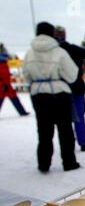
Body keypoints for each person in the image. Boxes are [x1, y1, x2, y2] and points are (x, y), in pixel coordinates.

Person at [23, 22, 80, 173]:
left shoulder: (29, 53)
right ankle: (69, 162)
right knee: (65, 129)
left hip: (39, 94)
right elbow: (72, 74)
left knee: (43, 131)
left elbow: (26, 77)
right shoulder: (59, 52)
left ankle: (44, 163)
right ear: (52, 33)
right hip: (59, 94)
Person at [54, 26, 85, 152]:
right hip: (76, 86)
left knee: (64, 119)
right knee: (79, 116)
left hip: (60, 88)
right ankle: (83, 142)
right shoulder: (72, 48)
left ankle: (68, 146)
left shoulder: (54, 51)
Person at [0, 43, 29, 116]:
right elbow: (4, 75)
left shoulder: (4, 64)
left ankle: (22, 111)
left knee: (14, 98)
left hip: (5, 85)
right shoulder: (3, 64)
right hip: (3, 85)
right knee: (13, 98)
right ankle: (22, 112)